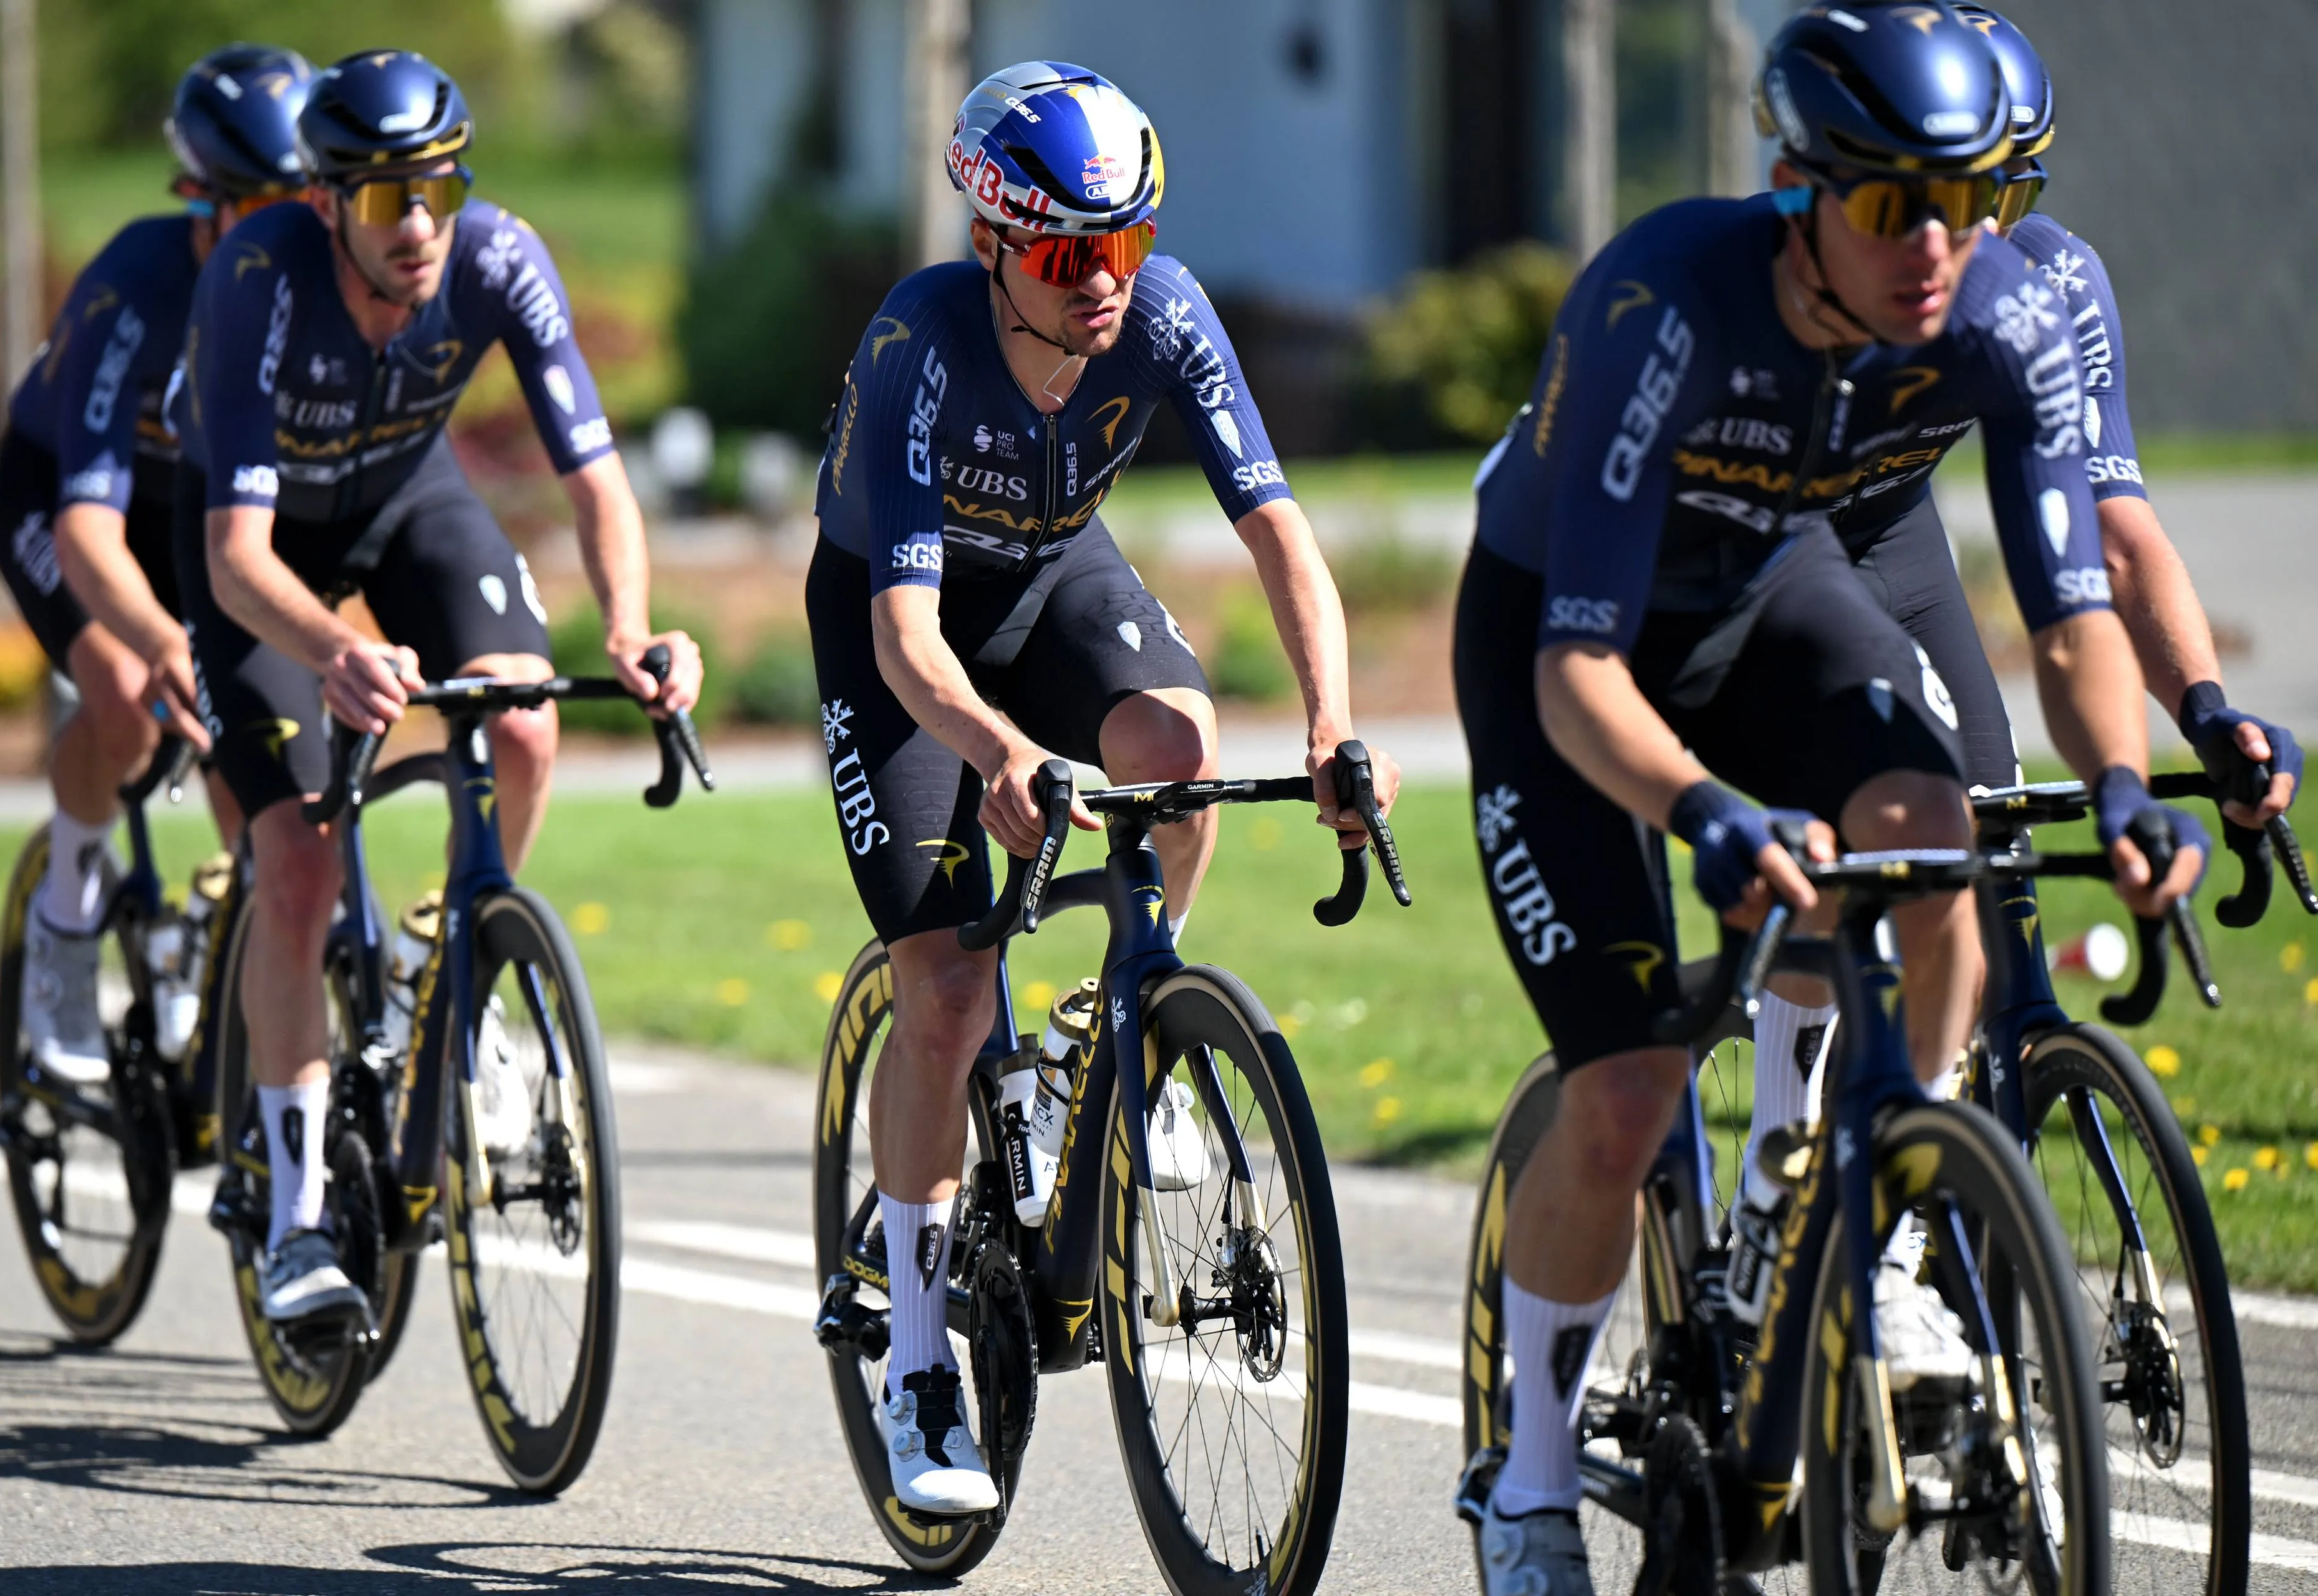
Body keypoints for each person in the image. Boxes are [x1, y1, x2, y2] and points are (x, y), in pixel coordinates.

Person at [1452, 6, 2206, 1590]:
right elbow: (1576, 674)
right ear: (1800, 191)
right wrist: (1703, 811)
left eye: (1972, 202)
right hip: (1565, 639)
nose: (1937, 245)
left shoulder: (1999, 311)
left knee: (1940, 845)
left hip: (1764, 592)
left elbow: (2074, 610)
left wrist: (2130, 781)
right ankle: (1528, 1481)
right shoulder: (1667, 301)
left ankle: (1882, 1217)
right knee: (1626, 1091)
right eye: (1890, 204)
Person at [809, 61, 1398, 1515]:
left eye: (1127, 241)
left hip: (1056, 572)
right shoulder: (923, 343)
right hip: (901, 623)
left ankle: (1120, 1017)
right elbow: (905, 637)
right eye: (1072, 255)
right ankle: (921, 1363)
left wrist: (1332, 722)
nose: (1107, 281)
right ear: (994, 245)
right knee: (947, 988)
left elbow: (1280, 534)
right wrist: (998, 749)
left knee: (1179, 758)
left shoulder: (1167, 313)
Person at [1725, 2, 2302, 1293]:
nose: (1961, 237)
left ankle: (1962, 1223)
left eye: (2004, 193)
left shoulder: (2047, 285)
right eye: (1928, 198)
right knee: (1844, 845)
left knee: (1996, 854)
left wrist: (2204, 710)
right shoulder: (1805, 268)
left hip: (1894, 537)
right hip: (1765, 544)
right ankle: (1779, 1166)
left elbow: (2112, 537)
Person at [170, 50, 703, 1327]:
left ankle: (447, 949)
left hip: (409, 501)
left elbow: (596, 480)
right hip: (258, 551)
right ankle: (297, 1222)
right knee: (297, 863)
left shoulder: (500, 258)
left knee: (526, 720)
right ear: (323, 204)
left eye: (440, 189)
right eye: (382, 199)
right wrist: (330, 651)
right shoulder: (258, 279)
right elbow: (236, 561)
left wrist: (631, 627)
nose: (417, 224)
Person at [0, 44, 311, 1084]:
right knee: (130, 697)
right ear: (202, 202)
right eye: (264, 206)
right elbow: (85, 529)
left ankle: (217, 954)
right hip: (71, 500)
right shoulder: (136, 286)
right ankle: (66, 917)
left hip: (194, 517)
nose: (293, 231)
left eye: (309, 202)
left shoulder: (321, 285)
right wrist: (164, 641)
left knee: (255, 759)